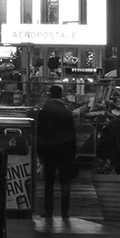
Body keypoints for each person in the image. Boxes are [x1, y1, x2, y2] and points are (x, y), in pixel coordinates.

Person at [36, 84, 77, 221]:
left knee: (49, 182)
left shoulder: (45, 111)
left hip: (49, 150)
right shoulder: (66, 111)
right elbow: (72, 133)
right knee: (65, 182)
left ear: (49, 94)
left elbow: (40, 132)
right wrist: (73, 153)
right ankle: (65, 211)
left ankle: (49, 210)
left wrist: (40, 153)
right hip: (65, 151)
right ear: (61, 95)